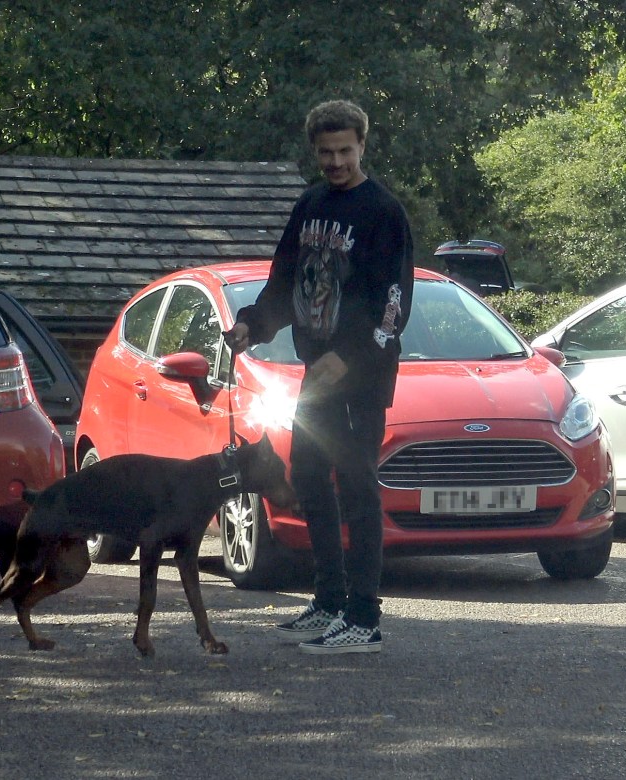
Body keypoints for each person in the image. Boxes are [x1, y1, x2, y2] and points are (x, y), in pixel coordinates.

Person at [224, 99, 414, 654]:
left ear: (362, 147)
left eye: (345, 151)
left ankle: (364, 618)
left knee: (357, 487)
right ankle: (328, 599)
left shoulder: (384, 212)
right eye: (326, 153)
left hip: (361, 375)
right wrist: (250, 325)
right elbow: (285, 281)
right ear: (315, 151)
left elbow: (393, 303)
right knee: (307, 476)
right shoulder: (309, 205)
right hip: (317, 374)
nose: (335, 162)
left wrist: (350, 357)